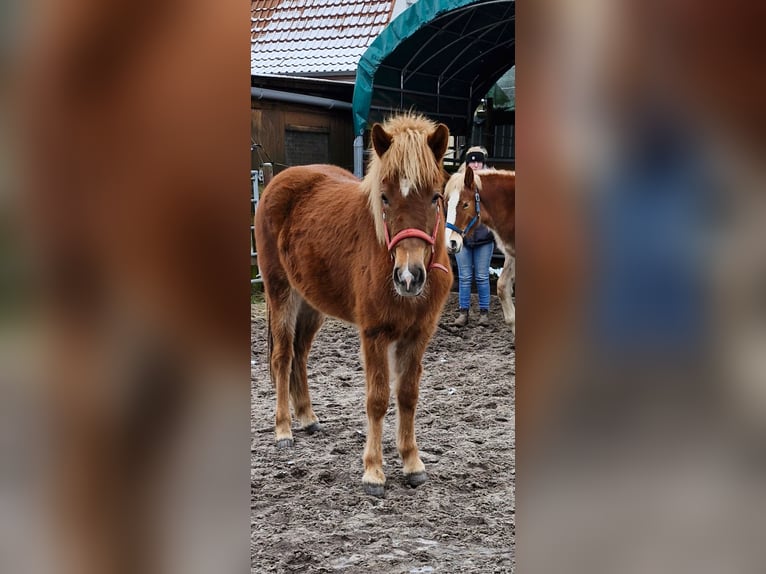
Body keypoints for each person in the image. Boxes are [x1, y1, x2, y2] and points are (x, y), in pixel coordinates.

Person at [453, 146, 495, 327]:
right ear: (467, 163)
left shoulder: (491, 184)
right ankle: (463, 313)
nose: (475, 164)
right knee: (464, 276)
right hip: (463, 236)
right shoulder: (457, 183)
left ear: (483, 162)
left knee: (482, 276)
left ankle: (484, 313)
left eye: (478, 161)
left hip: (484, 237)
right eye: (472, 161)